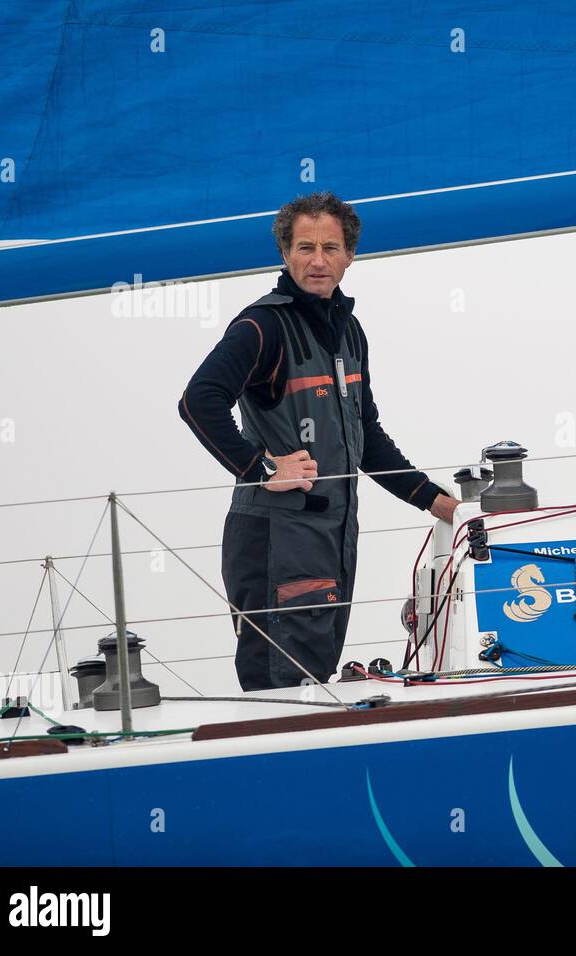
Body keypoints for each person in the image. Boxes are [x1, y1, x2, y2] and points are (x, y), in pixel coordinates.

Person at [179, 191, 459, 690]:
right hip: (276, 540)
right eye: (305, 247)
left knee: (317, 682)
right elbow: (198, 400)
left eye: (331, 248)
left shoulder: (349, 331)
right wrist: (262, 468)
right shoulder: (261, 326)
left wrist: (440, 504)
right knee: (284, 691)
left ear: (350, 256)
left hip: (334, 537)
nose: (318, 260)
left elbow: (367, 437)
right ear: (284, 254)